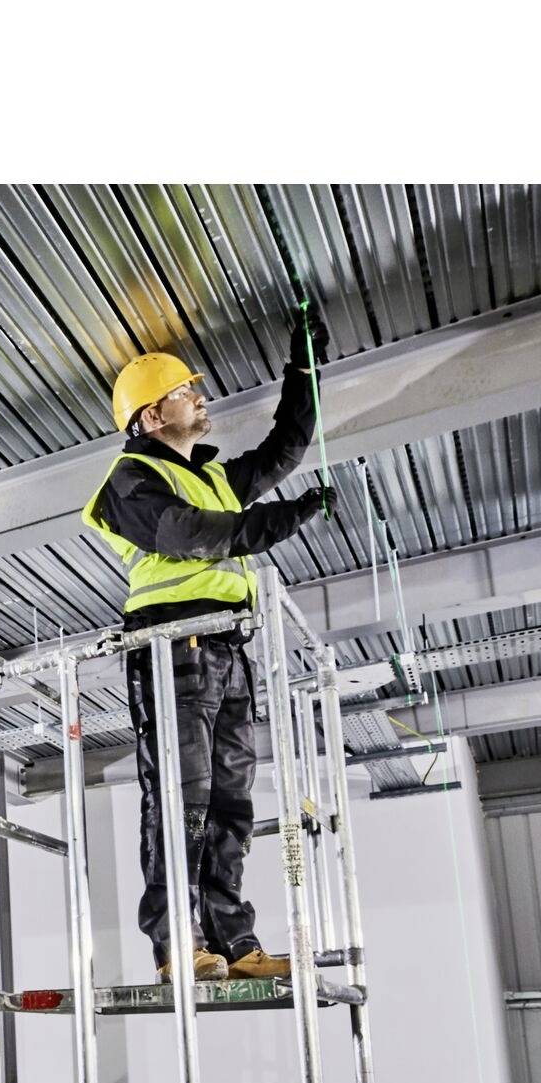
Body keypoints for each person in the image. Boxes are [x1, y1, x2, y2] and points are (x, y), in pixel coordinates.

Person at [82, 314, 335, 983]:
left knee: (230, 803)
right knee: (181, 797)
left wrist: (303, 370)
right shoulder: (131, 478)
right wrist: (286, 516)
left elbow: (284, 450)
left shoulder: (213, 478)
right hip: (173, 644)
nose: (201, 398)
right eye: (186, 391)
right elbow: (190, 534)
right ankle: (177, 945)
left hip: (226, 645)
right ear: (152, 414)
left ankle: (234, 941)